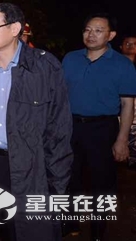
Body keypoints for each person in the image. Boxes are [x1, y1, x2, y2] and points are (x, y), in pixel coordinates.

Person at [0, 3, 73, 241]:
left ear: (15, 28)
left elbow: (59, 129)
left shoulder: (44, 67)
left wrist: (57, 181)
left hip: (30, 169)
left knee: (24, 232)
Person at [62, 14, 136, 240]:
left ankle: (98, 230)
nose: (90, 34)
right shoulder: (70, 59)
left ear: (111, 35)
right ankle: (69, 224)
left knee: (101, 182)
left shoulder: (122, 64)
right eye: (87, 29)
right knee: (67, 177)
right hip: (70, 127)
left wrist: (122, 140)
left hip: (102, 129)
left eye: (98, 30)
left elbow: (127, 104)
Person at [120, 35, 136, 169]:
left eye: (134, 44)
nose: (131, 46)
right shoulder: (115, 65)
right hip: (119, 112)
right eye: (127, 43)